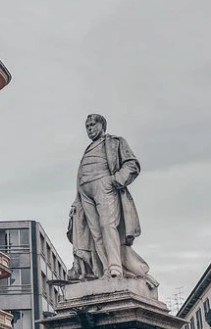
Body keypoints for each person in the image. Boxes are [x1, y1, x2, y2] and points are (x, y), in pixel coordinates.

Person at [67, 114, 157, 288]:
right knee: (95, 233)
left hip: (105, 185)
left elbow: (132, 165)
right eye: (87, 126)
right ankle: (105, 268)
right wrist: (75, 202)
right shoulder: (88, 149)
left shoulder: (115, 142)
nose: (90, 129)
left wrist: (114, 180)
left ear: (102, 125)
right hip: (85, 193)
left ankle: (116, 266)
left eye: (93, 125)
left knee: (108, 225)